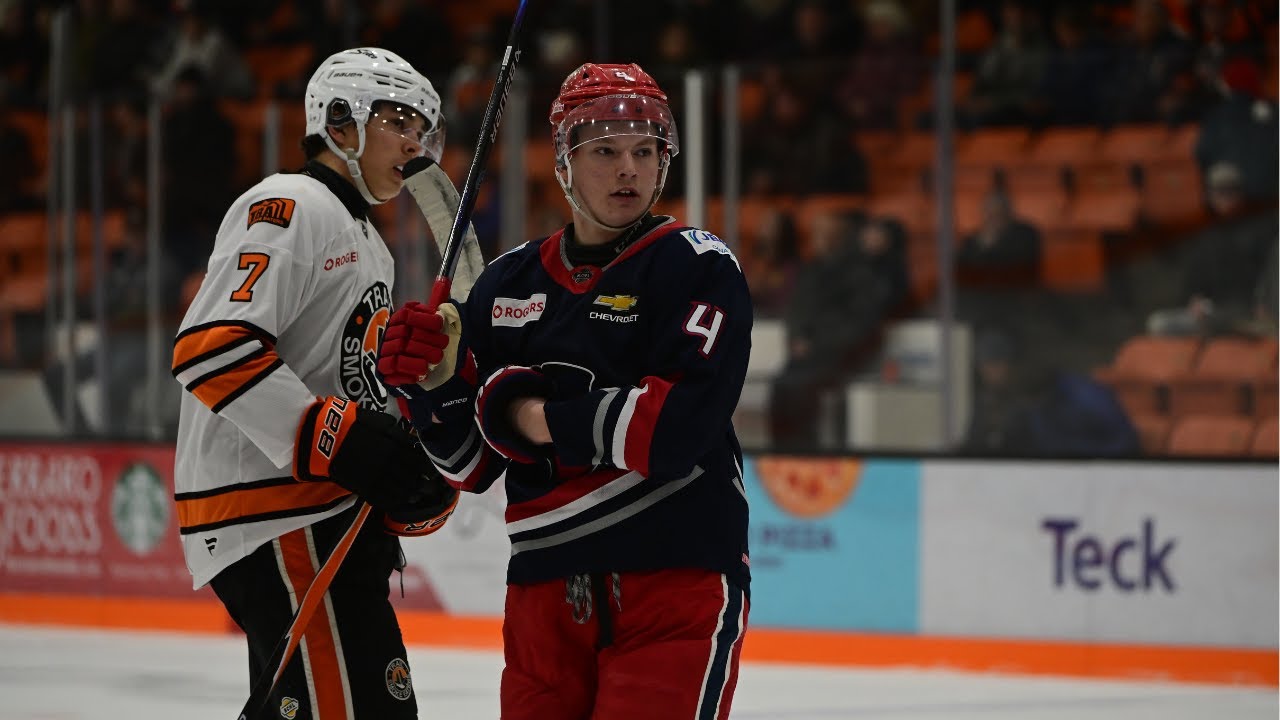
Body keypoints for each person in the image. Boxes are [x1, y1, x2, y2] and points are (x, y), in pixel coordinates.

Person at [377, 62, 752, 719]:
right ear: (564, 165)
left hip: (677, 579)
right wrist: (430, 388)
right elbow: (469, 464)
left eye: (644, 150)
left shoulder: (698, 267)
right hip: (544, 592)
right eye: (604, 151)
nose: (628, 169)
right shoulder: (504, 284)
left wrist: (525, 413)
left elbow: (669, 434)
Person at [169, 48, 459, 719]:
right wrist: (342, 442)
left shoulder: (365, 236)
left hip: (317, 512)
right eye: (398, 121)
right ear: (339, 122)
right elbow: (213, 348)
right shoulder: (290, 203)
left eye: (423, 128)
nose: (415, 142)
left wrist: (396, 450)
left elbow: (347, 381)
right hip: (278, 514)